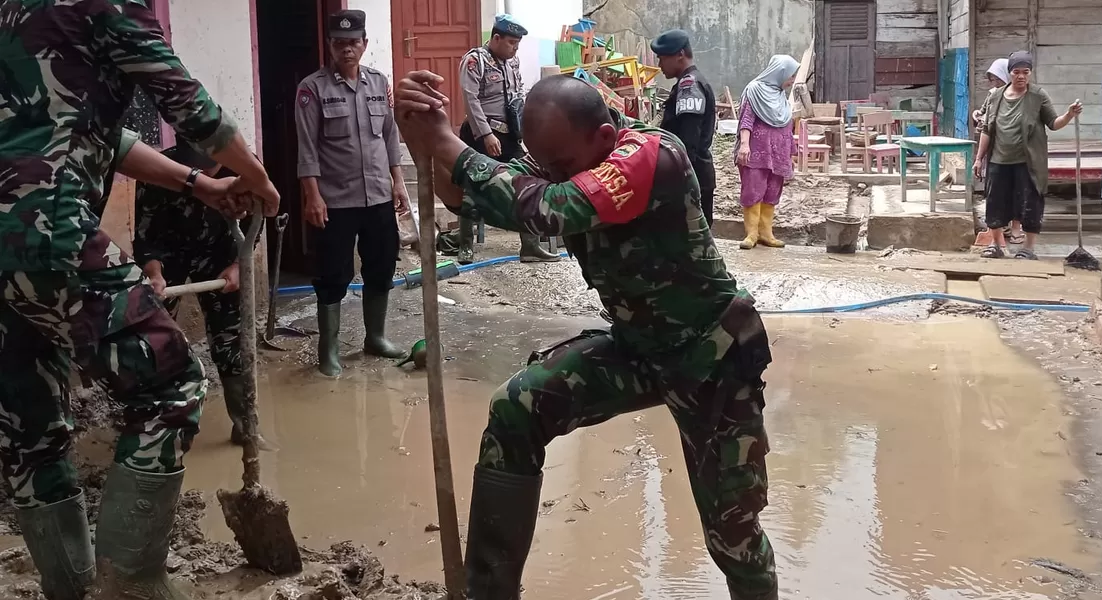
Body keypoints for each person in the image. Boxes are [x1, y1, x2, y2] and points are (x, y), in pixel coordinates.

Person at [395, 72, 778, 600]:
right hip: (636, 348)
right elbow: (471, 195)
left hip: (707, 355)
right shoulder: (562, 155)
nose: (549, 173)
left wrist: (445, 142)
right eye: (543, 164)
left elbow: (554, 208)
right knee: (517, 407)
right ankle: (489, 592)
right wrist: (421, 137)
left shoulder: (651, 155)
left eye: (561, 166)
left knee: (732, 532)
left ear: (601, 137)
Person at [0, 1, 280, 595]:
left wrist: (200, 183)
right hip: (42, 227)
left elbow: (103, 133)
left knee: (31, 423)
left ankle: (72, 590)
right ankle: (133, 587)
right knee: (171, 384)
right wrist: (256, 176)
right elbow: (185, 102)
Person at [296, 9, 411, 377]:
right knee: (333, 273)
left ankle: (374, 337)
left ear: (364, 44)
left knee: (382, 265)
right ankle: (327, 350)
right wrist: (312, 195)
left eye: (353, 43)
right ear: (330, 46)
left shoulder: (379, 82)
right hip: (335, 200)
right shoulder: (312, 88)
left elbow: (390, 136)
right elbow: (307, 148)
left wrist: (399, 181)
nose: (347, 49)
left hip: (378, 194)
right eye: (339, 43)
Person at [134, 143, 262, 446]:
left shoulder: (245, 168)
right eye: (194, 167)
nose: (202, 175)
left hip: (221, 252)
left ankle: (245, 425)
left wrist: (238, 264)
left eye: (209, 167)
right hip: (169, 256)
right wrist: (154, 274)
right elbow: (145, 237)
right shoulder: (158, 169)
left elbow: (256, 222)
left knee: (231, 341)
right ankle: (167, 429)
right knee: (158, 343)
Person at [456, 14, 561, 265]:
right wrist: (486, 134)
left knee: (527, 182)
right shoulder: (474, 62)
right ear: (496, 38)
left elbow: (518, 97)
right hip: (481, 134)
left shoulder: (512, 62)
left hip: (509, 135)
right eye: (511, 43)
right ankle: (465, 246)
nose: (515, 48)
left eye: (517, 44)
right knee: (474, 186)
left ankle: (530, 247)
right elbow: (471, 101)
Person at [973, 50, 1083, 260]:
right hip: (998, 160)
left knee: (1030, 202)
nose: (1021, 76)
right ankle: (996, 245)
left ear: (1030, 73)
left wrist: (1069, 115)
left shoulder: (1038, 96)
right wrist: (979, 158)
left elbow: (1053, 123)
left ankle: (1028, 249)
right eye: (1016, 71)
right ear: (1010, 72)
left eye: (1026, 72)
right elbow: (987, 129)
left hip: (1028, 162)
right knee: (995, 202)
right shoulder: (996, 96)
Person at [735, 55, 801, 251]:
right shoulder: (754, 90)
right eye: (791, 75)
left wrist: (791, 153)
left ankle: (766, 233)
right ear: (780, 73)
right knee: (753, 189)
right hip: (756, 151)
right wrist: (744, 145)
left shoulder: (780, 95)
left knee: (772, 191)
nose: (792, 80)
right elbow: (746, 120)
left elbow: (787, 125)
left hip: (778, 153)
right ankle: (751, 234)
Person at [653, 29, 718, 226]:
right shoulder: (687, 82)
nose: (659, 65)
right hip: (693, 176)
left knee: (691, 243)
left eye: (662, 58)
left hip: (690, 178)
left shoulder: (689, 86)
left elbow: (688, 141)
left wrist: (680, 182)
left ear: (680, 54)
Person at [972, 58, 1024, 244]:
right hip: (995, 151)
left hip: (1015, 152)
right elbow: (985, 117)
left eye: (996, 79)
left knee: (1016, 190)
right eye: (992, 80)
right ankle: (999, 230)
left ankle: (1016, 228)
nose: (994, 83)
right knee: (996, 192)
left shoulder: (1019, 96)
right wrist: (978, 115)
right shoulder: (993, 95)